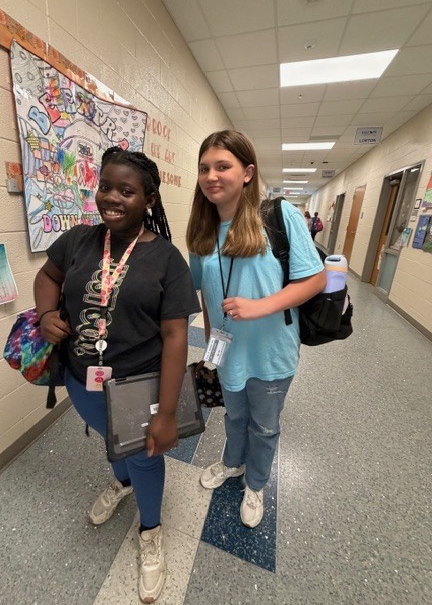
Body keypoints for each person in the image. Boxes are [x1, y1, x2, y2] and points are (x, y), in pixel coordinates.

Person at [34, 146, 200, 603]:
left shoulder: (168, 261)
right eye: (105, 186)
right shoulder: (79, 239)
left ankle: (151, 530)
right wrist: (47, 311)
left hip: (137, 389)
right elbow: (48, 276)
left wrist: (166, 413)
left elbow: (175, 337)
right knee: (110, 441)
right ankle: (121, 483)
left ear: (148, 199)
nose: (112, 197)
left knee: (145, 454)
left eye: (126, 191)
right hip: (81, 379)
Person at [186, 130, 325, 529]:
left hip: (271, 352)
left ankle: (257, 483)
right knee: (233, 417)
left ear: (247, 173)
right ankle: (232, 462)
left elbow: (314, 280)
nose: (211, 175)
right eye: (204, 168)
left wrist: (258, 307)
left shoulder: (280, 218)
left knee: (264, 425)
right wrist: (213, 343)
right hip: (228, 351)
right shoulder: (201, 232)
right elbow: (207, 294)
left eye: (222, 166)